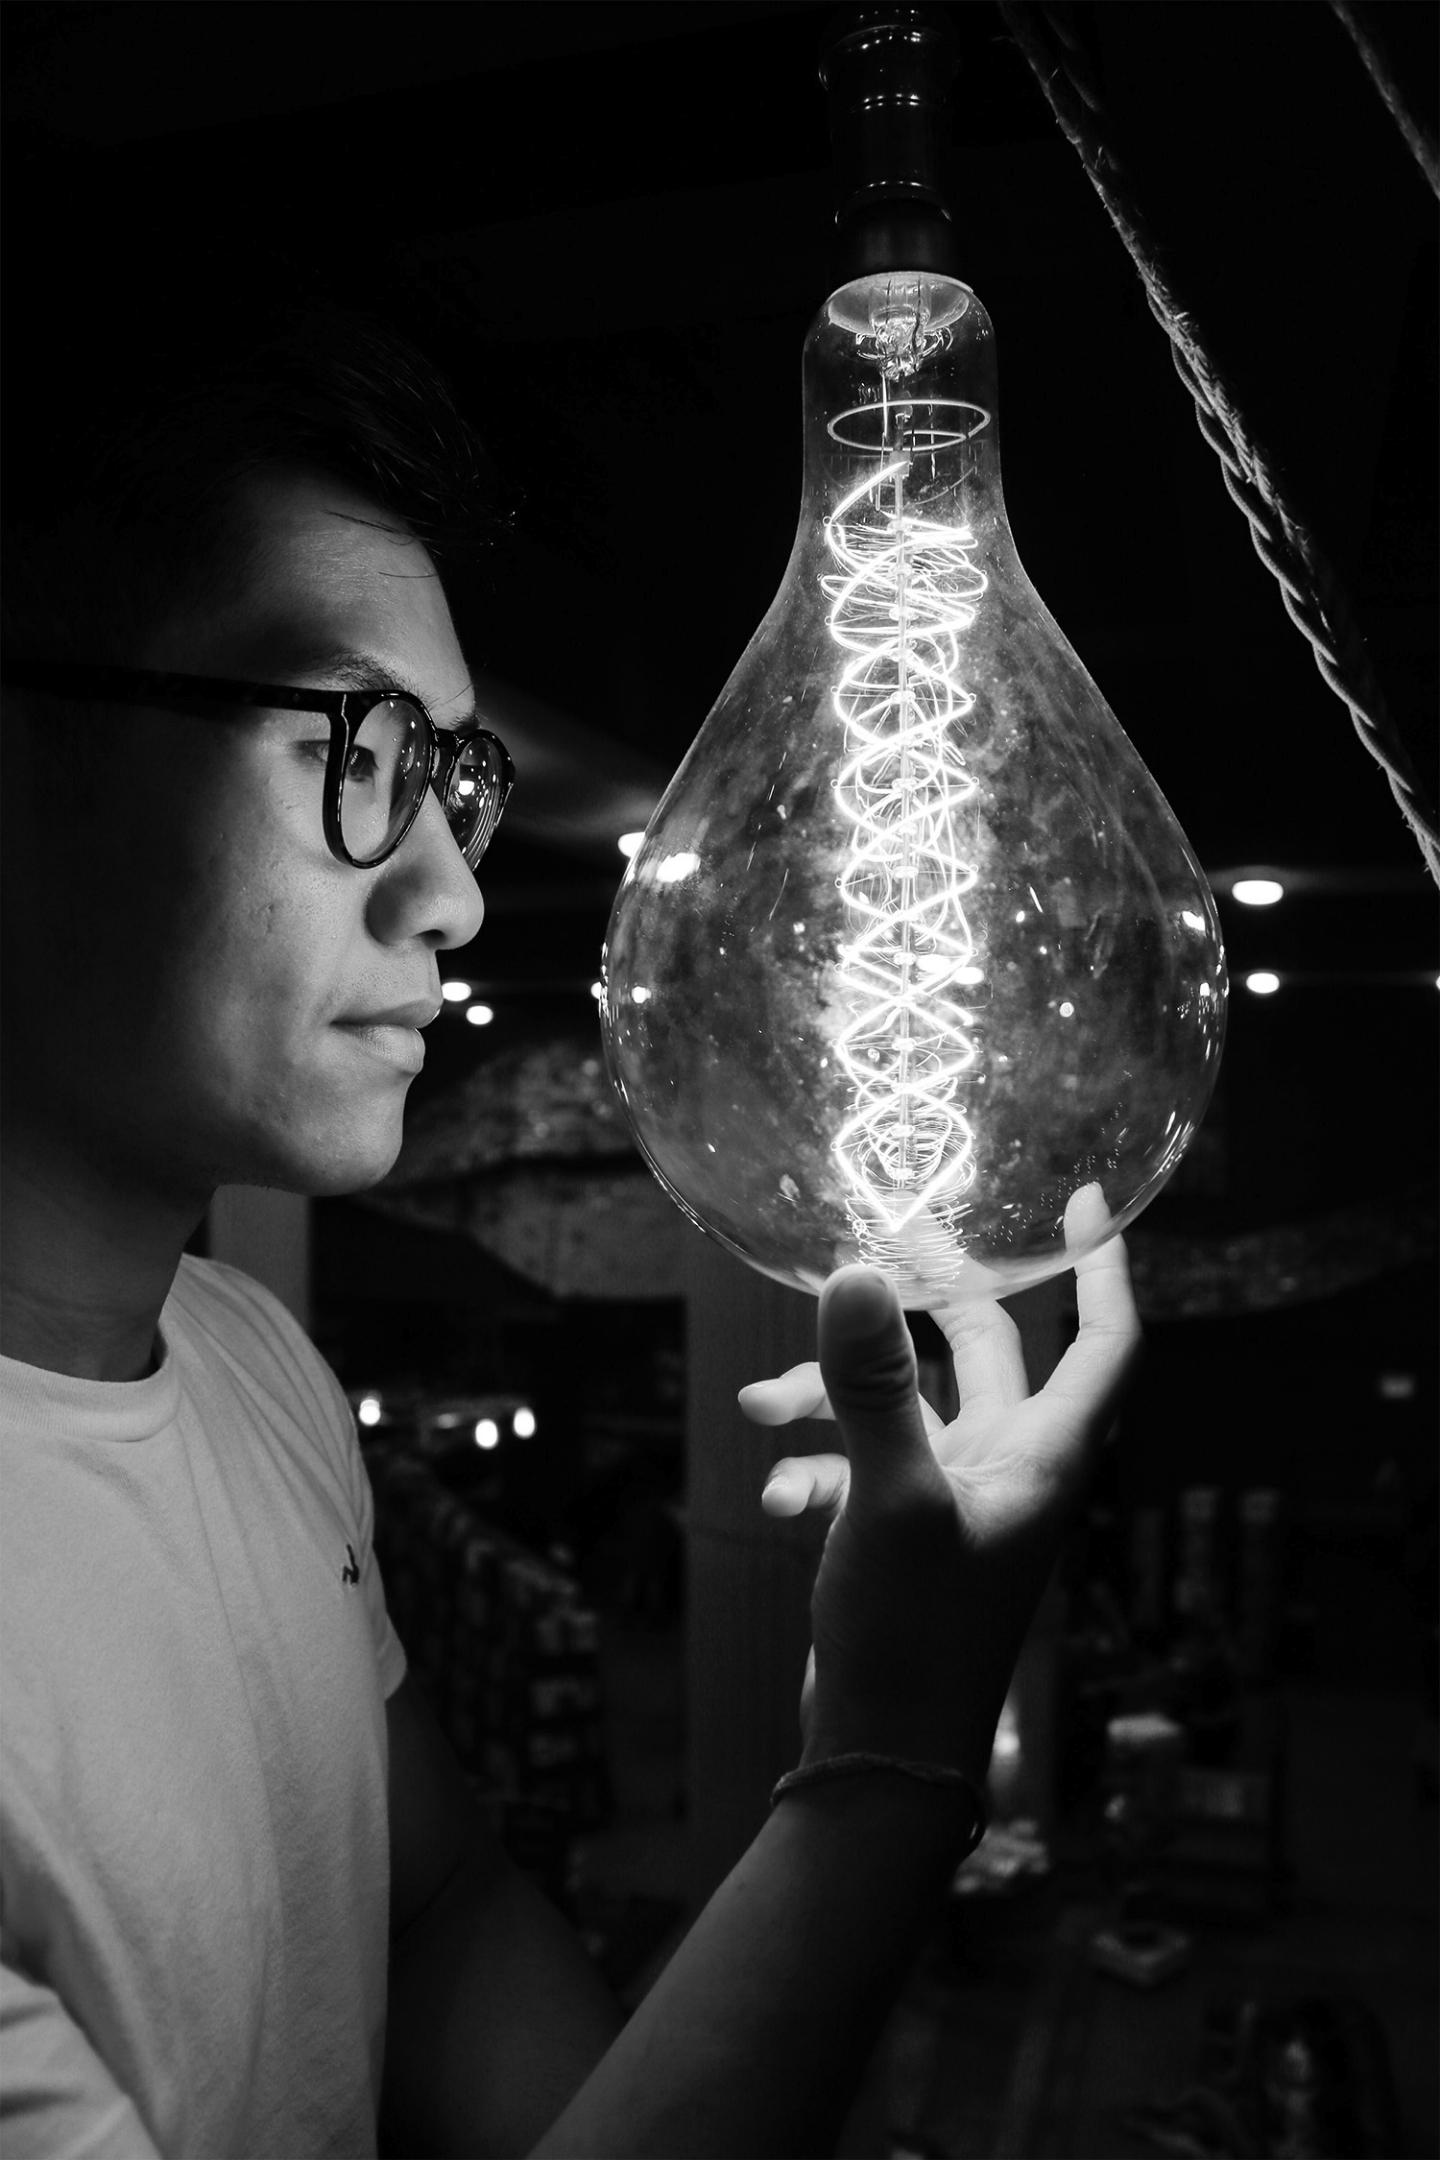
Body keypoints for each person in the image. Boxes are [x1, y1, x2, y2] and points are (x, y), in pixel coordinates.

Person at [0, 253, 1141, 2159]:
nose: (451, 895)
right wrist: (889, 1757)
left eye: (457, 771)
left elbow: (434, 1914)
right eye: (351, 752)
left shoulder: (251, 1361)